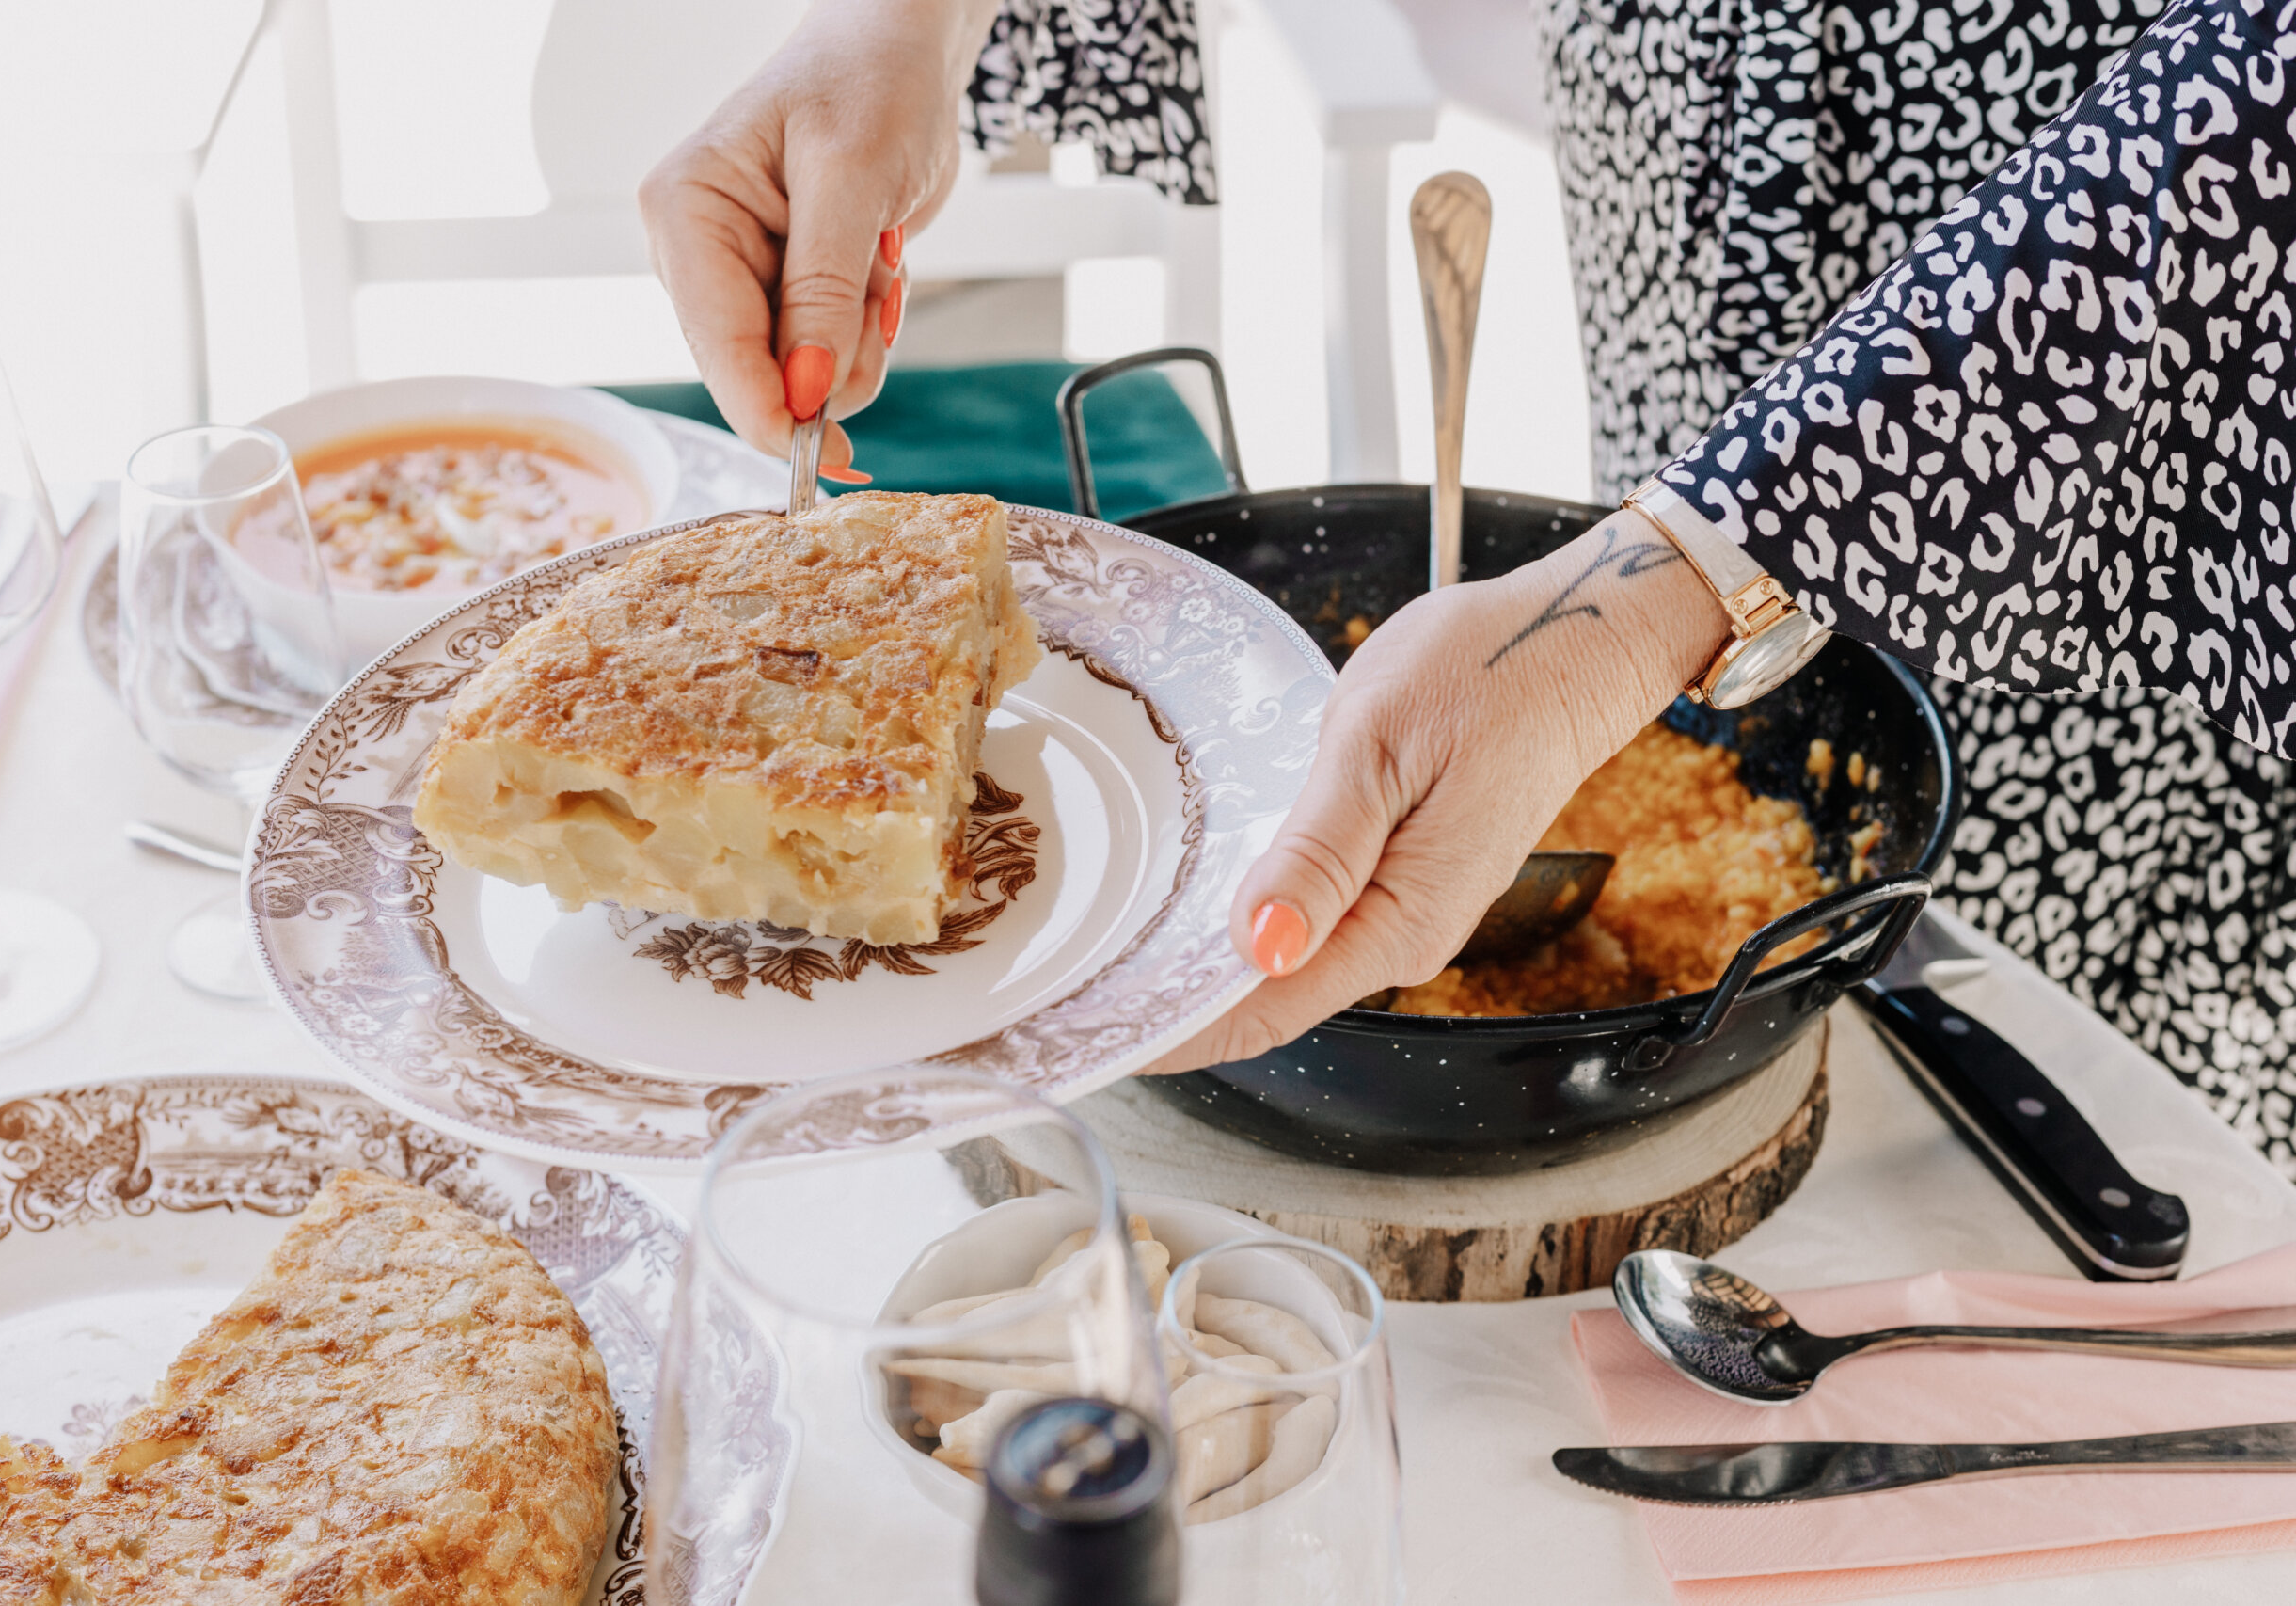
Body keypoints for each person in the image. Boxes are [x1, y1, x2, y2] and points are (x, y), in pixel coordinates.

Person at [643, 0, 2296, 1172]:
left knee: (2096, 1036)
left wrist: (1661, 589)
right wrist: (909, 17)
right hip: (1712, 118)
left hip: (2181, 322)